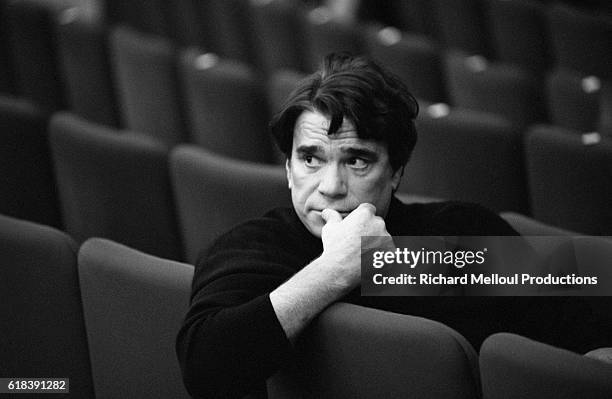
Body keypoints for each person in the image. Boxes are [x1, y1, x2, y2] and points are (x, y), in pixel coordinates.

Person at [176, 53, 610, 399]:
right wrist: (335, 271)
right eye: (311, 159)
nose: (330, 186)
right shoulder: (252, 247)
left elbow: (584, 321)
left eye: (357, 160)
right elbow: (204, 369)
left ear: (397, 171)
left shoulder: (459, 230)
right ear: (288, 168)